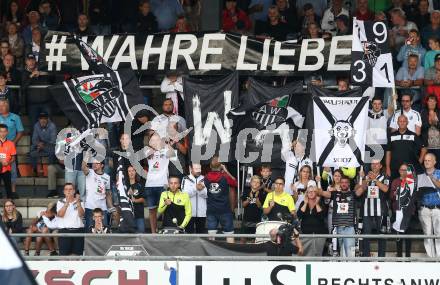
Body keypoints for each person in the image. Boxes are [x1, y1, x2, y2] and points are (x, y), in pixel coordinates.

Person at [318, 175, 359, 257]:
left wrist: (364, 178)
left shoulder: (353, 194)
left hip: (349, 229)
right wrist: (318, 181)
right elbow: (321, 192)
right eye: (342, 182)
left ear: (349, 184)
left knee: (350, 255)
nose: (344, 184)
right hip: (337, 228)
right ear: (339, 183)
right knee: (337, 254)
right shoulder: (335, 194)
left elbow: (362, 189)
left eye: (346, 182)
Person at [356, 159, 390, 257]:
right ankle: (366, 258)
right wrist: (364, 180)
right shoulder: (365, 176)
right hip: (367, 210)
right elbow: (357, 192)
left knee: (382, 235)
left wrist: (375, 180)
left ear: (380, 166)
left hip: (381, 210)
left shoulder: (385, 176)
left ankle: (381, 259)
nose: (374, 165)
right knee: (366, 235)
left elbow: (386, 189)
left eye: (377, 164)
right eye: (372, 164)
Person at [144, 132, 175, 233]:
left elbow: (172, 154)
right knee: (152, 211)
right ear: (150, 141)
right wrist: (155, 144)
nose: (156, 141)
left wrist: (167, 144)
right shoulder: (147, 149)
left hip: (163, 184)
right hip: (150, 184)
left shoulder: (165, 150)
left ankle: (166, 230)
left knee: (166, 208)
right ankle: (154, 232)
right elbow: (149, 154)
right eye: (153, 139)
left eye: (158, 139)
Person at [205, 156, 237, 243]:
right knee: (229, 233)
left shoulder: (206, 177)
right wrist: (226, 171)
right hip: (225, 209)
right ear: (221, 166)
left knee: (211, 234)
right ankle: (231, 254)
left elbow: (200, 187)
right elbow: (235, 182)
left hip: (211, 209)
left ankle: (210, 254)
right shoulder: (225, 177)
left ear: (210, 167)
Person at [386, 114, 426, 180]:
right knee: (395, 187)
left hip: (409, 169)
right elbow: (388, 152)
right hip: (394, 168)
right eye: (400, 121)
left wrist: (420, 161)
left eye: (404, 121)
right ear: (397, 122)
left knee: (410, 188)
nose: (402, 123)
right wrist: (387, 167)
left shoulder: (413, 135)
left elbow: (424, 149)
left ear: (407, 122)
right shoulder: (391, 136)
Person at [417, 153, 440, 257]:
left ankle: (439, 258)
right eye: (425, 160)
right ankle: (431, 258)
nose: (426, 162)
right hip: (424, 208)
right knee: (427, 235)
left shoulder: (439, 173)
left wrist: (432, 179)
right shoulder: (420, 175)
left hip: (437, 209)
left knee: (438, 234)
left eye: (429, 160)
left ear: (434, 162)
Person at [389, 163, 415, 257]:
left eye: (405, 170)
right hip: (398, 211)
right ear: (399, 171)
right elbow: (391, 196)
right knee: (398, 235)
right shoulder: (395, 181)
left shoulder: (412, 182)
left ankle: (408, 255)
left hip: (408, 212)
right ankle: (399, 255)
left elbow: (414, 196)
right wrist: (396, 193)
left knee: (408, 235)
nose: (403, 172)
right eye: (402, 170)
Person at [82, 154, 112, 232]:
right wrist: (86, 156)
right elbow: (83, 167)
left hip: (103, 208)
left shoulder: (107, 177)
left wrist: (111, 208)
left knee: (104, 231)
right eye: (93, 163)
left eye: (97, 163)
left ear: (102, 165)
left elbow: (108, 194)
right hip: (90, 207)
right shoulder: (90, 172)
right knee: (89, 232)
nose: (94, 164)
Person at [22, 53, 53, 127]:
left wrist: (43, 73)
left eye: (33, 60)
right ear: (26, 62)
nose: (31, 62)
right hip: (32, 105)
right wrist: (31, 76)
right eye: (29, 60)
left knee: (49, 126)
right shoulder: (23, 73)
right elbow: (23, 87)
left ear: (35, 61)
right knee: (34, 126)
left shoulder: (42, 69)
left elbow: (53, 78)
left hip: (46, 103)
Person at [297, 186, 327, 256]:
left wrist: (316, 204)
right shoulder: (303, 203)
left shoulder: (321, 203)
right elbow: (299, 215)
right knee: (306, 255)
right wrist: (305, 203)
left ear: (316, 193)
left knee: (317, 255)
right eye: (309, 192)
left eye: (313, 191)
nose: (311, 193)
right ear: (307, 193)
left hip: (319, 235)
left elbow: (322, 216)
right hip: (306, 235)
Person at [56, 183, 85, 256]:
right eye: (66, 189)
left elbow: (81, 214)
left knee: (78, 257)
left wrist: (78, 202)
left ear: (74, 191)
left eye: (70, 189)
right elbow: (60, 215)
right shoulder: (60, 202)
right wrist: (67, 202)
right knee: (64, 257)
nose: (68, 191)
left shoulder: (80, 201)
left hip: (78, 232)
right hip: (64, 232)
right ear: (64, 192)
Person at [182, 162, 207, 234]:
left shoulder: (204, 179)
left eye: (199, 168)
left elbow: (207, 194)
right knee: (189, 235)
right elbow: (184, 195)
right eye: (196, 169)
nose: (198, 170)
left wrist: (200, 190)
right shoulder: (185, 179)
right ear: (191, 169)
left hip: (202, 213)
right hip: (189, 213)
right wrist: (196, 188)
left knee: (201, 235)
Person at [29, 112, 56, 176]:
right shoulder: (36, 125)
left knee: (53, 151)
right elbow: (34, 139)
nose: (43, 120)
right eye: (41, 119)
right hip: (40, 146)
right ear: (38, 119)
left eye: (45, 119)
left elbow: (53, 141)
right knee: (32, 151)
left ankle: (50, 171)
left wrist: (43, 145)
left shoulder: (52, 126)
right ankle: (34, 170)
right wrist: (39, 144)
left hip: (50, 146)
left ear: (47, 119)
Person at [240, 175, 264, 243]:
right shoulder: (246, 192)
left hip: (257, 220)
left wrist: (256, 198)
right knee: (243, 238)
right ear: (250, 183)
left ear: (260, 184)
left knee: (255, 239)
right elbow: (243, 205)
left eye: (257, 182)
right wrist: (249, 198)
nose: (255, 183)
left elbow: (261, 207)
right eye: (254, 182)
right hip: (246, 219)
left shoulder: (262, 194)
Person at [421, 94, 440, 166]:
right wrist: (429, 123)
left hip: (438, 146)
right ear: (427, 103)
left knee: (438, 166)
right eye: (430, 101)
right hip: (427, 146)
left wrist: (435, 123)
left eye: (433, 101)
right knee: (427, 166)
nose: (431, 103)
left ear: (436, 103)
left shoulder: (439, 112)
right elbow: (421, 128)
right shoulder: (423, 113)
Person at [127, 165, 145, 233]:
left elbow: (143, 199)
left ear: (135, 172)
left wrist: (135, 200)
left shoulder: (140, 185)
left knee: (141, 233)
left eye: (133, 170)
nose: (131, 173)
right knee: (129, 236)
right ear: (127, 173)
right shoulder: (125, 185)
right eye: (129, 171)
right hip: (128, 215)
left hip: (139, 214)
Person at [0, 124, 16, 199]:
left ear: (7, 132)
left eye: (4, 131)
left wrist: (7, 163)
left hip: (7, 168)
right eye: (1, 131)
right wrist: (1, 161)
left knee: (8, 189)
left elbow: (13, 158)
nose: (2, 133)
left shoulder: (11, 144)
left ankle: (9, 204)